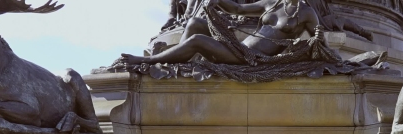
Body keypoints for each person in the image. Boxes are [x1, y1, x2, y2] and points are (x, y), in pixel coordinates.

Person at [121, 0, 321, 66]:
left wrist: (321, 47)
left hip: (252, 58)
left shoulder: (306, 13)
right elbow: (238, 9)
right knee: (195, 23)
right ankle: (182, 68)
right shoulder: (271, 3)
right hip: (240, 48)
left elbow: (319, 43)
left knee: (197, 40)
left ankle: (147, 61)